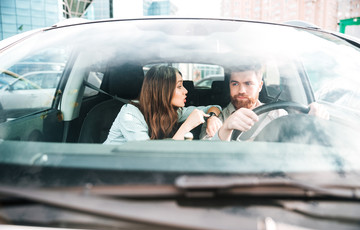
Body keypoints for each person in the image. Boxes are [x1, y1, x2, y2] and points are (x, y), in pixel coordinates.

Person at [200, 64, 329, 141]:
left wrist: (313, 124)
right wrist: (225, 128)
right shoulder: (215, 118)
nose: (241, 90)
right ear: (229, 86)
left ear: (260, 86)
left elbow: (295, 146)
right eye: (235, 84)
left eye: (248, 83)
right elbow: (203, 157)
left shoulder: (278, 114)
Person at [104, 65, 221, 144]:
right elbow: (149, 157)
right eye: (179, 86)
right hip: (105, 171)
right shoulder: (130, 114)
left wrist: (212, 116)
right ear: (163, 91)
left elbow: (216, 107)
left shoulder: (173, 111)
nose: (186, 91)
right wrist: (187, 126)